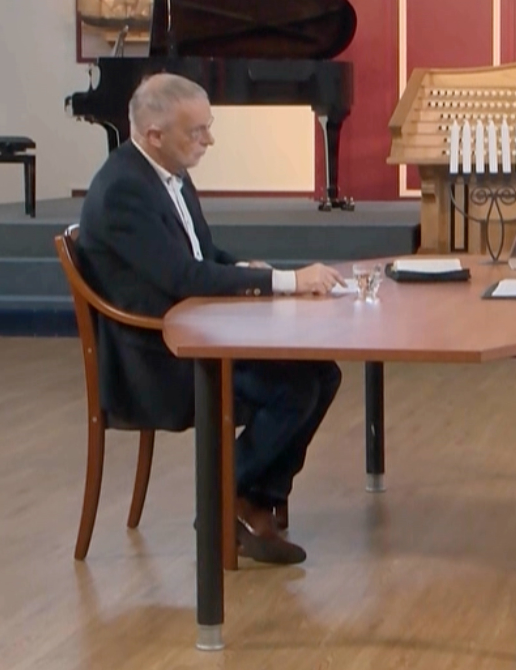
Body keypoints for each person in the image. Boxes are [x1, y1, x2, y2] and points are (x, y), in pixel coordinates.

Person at [76, 73, 346, 565]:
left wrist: (243, 267)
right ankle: (224, 498)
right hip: (157, 360)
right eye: (197, 131)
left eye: (208, 126)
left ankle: (252, 498)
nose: (210, 140)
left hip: (191, 334)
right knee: (294, 389)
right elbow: (182, 277)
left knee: (322, 373)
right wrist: (284, 281)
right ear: (154, 134)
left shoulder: (167, 172)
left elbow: (201, 253)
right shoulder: (123, 191)